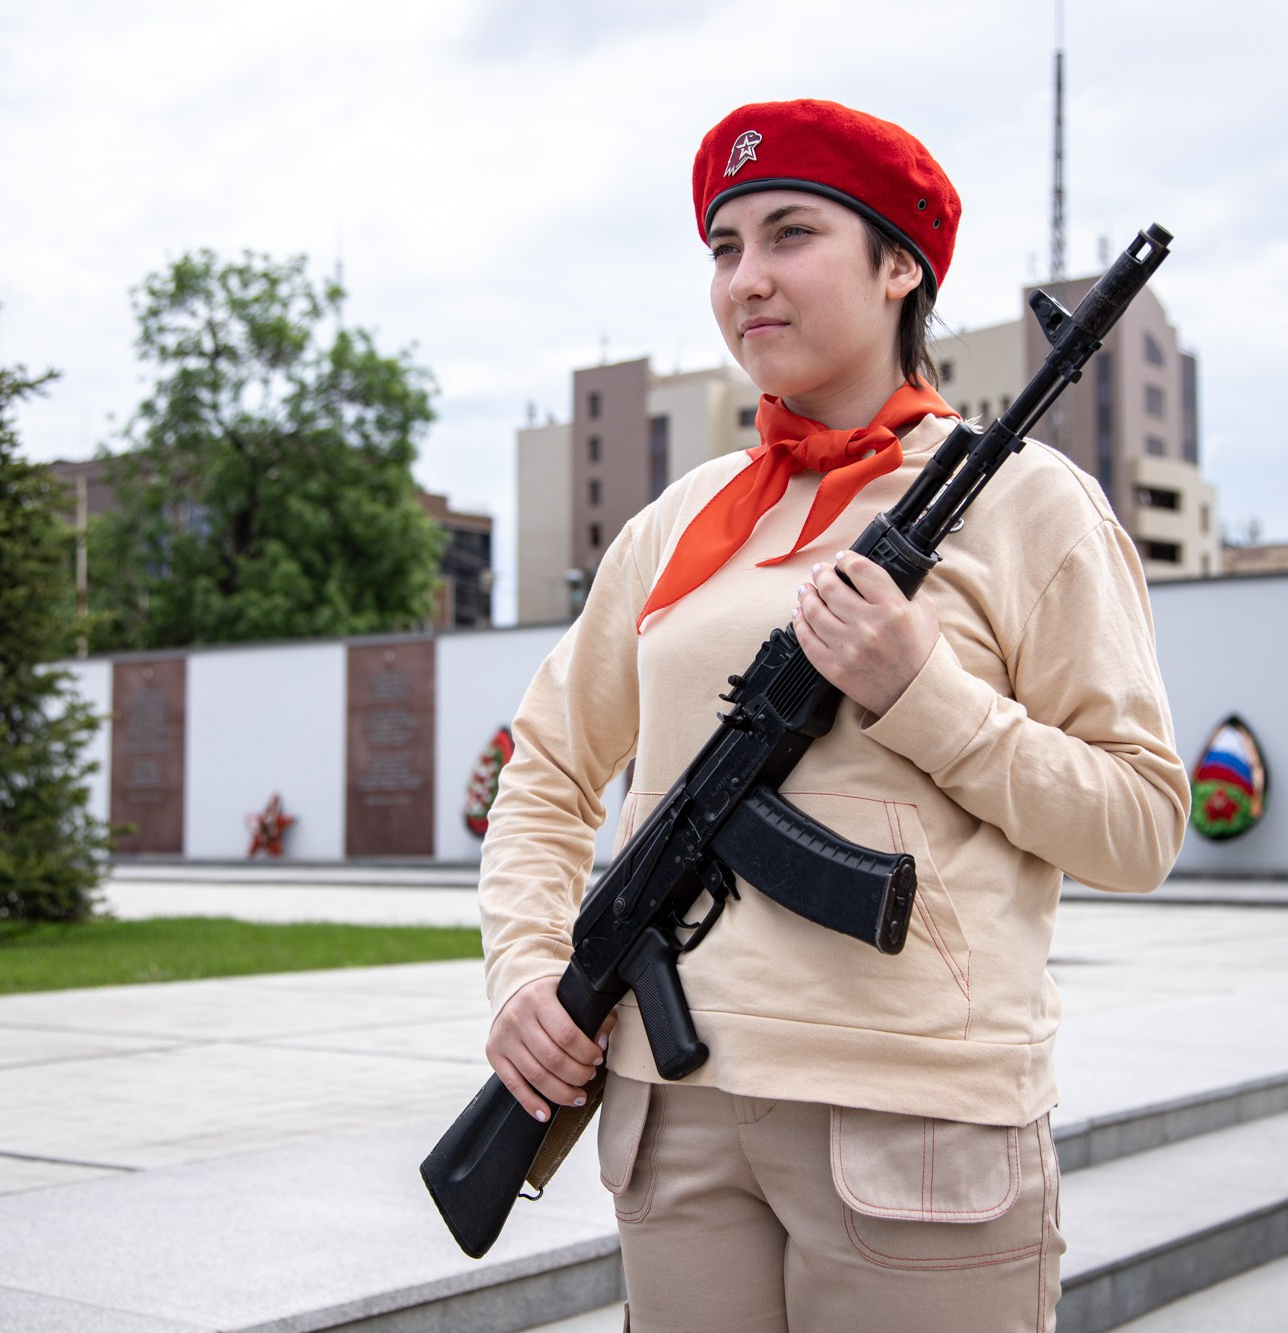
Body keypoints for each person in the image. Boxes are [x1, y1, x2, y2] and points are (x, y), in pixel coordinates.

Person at [477, 98, 1188, 1332]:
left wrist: (925, 698)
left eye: (788, 234)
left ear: (899, 263)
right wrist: (526, 970)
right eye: (722, 248)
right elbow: (542, 767)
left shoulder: (1029, 505)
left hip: (914, 1118)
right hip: (672, 1107)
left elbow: (1138, 823)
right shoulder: (677, 521)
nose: (746, 279)